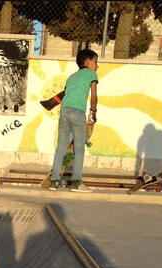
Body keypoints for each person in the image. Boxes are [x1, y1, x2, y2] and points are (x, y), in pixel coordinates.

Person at [47, 49, 99, 193]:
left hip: (64, 112)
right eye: (95, 61)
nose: (97, 65)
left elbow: (65, 95)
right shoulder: (91, 74)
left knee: (61, 148)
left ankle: (54, 181)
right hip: (77, 112)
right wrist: (93, 112)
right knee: (79, 148)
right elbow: (94, 96)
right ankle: (76, 182)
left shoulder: (71, 77)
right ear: (87, 61)